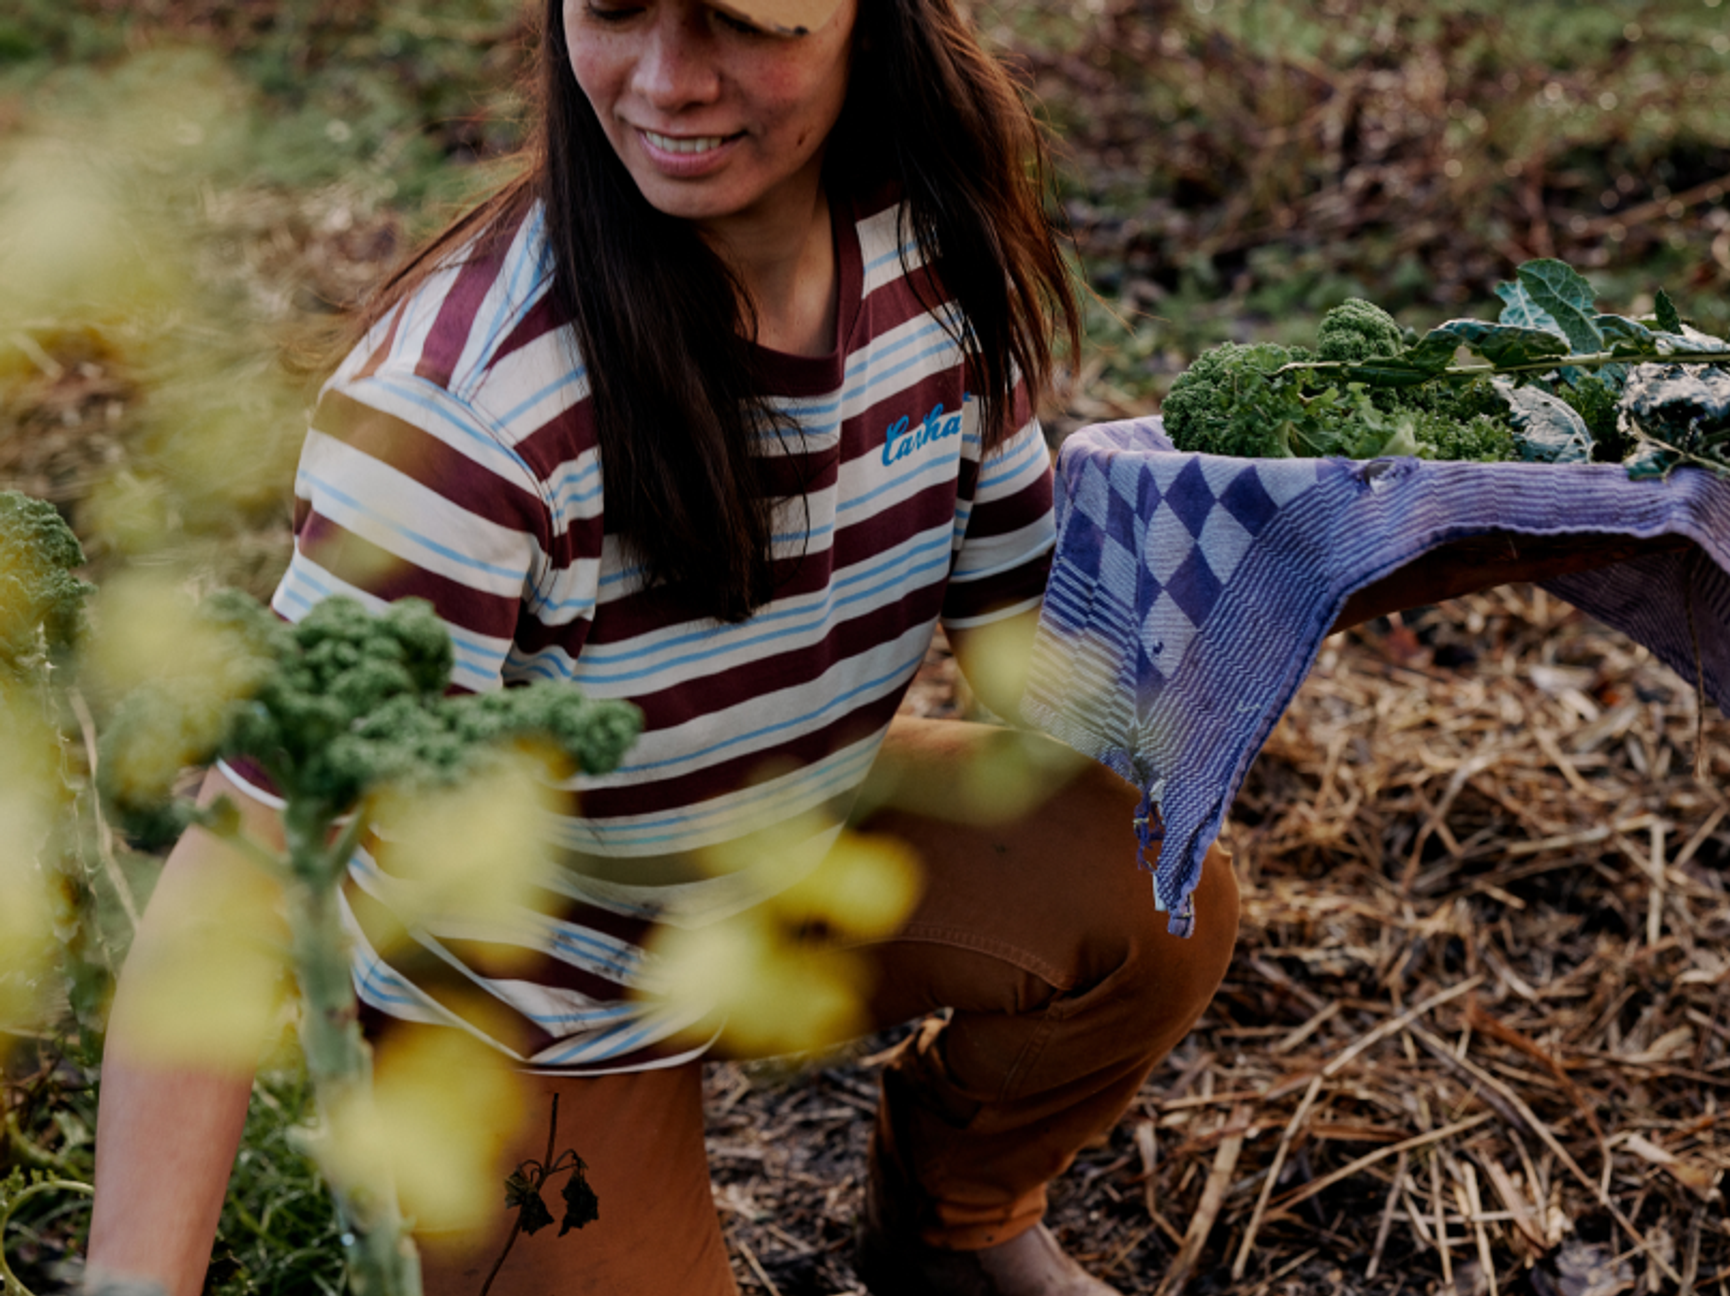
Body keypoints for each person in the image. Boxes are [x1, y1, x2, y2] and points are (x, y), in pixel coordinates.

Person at [86, 0, 1241, 1292]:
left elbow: (1046, 675)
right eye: (616, 8)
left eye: (746, 22)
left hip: (783, 844)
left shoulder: (927, 257)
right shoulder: (463, 415)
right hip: (533, 1003)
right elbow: (233, 894)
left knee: (1154, 883)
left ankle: (951, 1231)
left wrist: (1327, 566)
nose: (665, 82)